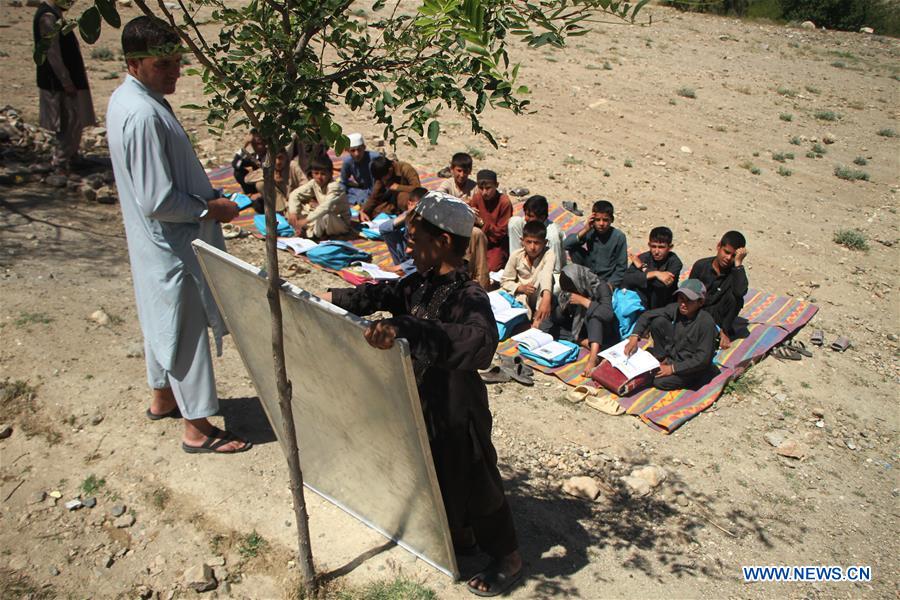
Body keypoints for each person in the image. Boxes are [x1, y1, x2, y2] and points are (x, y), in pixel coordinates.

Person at [323, 191, 522, 596]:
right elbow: (381, 294)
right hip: (427, 403)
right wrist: (334, 299)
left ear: (444, 241)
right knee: (437, 471)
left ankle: (509, 557)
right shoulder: (421, 283)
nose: (408, 246)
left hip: (458, 409)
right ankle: (461, 535)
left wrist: (409, 328)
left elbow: (482, 343)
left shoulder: (470, 296)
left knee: (476, 480)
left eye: (415, 239)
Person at [107, 16, 249, 454]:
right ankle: (197, 427)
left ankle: (163, 397)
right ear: (135, 62)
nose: (175, 72)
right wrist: (212, 208)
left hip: (153, 242)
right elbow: (158, 200)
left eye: (178, 61)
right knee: (184, 328)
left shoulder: (128, 99)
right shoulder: (143, 115)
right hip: (171, 242)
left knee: (161, 320)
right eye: (164, 63)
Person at [33, 0, 96, 172]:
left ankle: (71, 156)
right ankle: (61, 161)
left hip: (68, 78)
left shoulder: (55, 14)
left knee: (75, 120)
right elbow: (53, 53)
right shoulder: (47, 17)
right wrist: (66, 81)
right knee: (68, 122)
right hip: (58, 82)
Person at [623, 279, 718, 390]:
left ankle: (690, 379)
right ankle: (662, 358)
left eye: (689, 301)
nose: (683, 304)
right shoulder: (676, 309)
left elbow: (702, 359)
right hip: (676, 354)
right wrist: (634, 337)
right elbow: (648, 315)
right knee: (658, 321)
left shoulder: (706, 323)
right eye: (681, 298)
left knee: (659, 381)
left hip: (693, 367)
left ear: (700, 302)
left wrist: (672, 369)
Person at [540, 264, 617, 377]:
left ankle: (593, 357)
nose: (570, 293)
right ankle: (582, 341)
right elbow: (556, 319)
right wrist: (562, 309)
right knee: (546, 327)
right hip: (580, 329)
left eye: (572, 290)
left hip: (601, 330)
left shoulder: (601, 286)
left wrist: (583, 301)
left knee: (594, 316)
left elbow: (607, 314)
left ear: (578, 282)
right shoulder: (570, 292)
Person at [689, 231, 749, 349]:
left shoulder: (736, 273)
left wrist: (738, 264)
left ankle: (724, 332)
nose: (728, 258)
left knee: (736, 297)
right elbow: (689, 294)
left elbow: (740, 292)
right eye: (726, 252)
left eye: (733, 256)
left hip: (719, 317)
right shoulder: (701, 266)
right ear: (718, 246)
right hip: (699, 311)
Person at [500, 220, 554, 328]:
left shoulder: (548, 254)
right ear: (522, 241)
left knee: (546, 279)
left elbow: (547, 273)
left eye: (537, 243)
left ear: (545, 242)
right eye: (529, 242)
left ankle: (538, 320)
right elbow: (505, 281)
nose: (532, 247)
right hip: (522, 297)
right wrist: (520, 288)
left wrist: (546, 299)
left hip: (540, 297)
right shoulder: (516, 255)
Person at [286, 154, 353, 239]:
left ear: (330, 174)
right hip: (320, 218)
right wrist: (293, 213)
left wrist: (305, 221)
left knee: (325, 215)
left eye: (323, 174)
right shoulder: (314, 183)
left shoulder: (335, 187)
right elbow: (295, 194)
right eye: (316, 173)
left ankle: (312, 236)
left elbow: (325, 207)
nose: (319, 177)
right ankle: (307, 229)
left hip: (339, 222)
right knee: (299, 208)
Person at [563, 200, 627, 287]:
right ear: (593, 219)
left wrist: (609, 285)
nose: (601, 223)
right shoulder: (590, 231)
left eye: (605, 220)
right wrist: (585, 229)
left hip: (606, 278)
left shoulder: (619, 237)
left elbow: (621, 267)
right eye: (597, 220)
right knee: (574, 247)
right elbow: (566, 245)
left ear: (611, 220)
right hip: (588, 273)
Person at [622, 226, 683, 310]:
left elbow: (661, 285)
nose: (656, 251)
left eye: (661, 247)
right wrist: (656, 274)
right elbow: (627, 279)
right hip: (641, 304)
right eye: (653, 246)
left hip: (664, 306)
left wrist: (643, 268)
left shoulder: (675, 262)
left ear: (670, 247)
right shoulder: (643, 258)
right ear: (649, 245)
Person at [508, 195, 566, 274]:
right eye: (525, 214)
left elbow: (555, 269)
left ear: (542, 218)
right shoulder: (524, 223)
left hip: (544, 272)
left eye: (530, 216)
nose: (526, 218)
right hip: (524, 267)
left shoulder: (552, 235)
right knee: (514, 222)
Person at [469, 169, 513, 272]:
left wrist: (483, 224)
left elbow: (501, 232)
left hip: (496, 245)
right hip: (477, 241)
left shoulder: (504, 202)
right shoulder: (476, 198)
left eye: (488, 188)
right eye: (481, 188)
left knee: (491, 268)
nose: (484, 192)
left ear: (496, 185)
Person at [377, 186, 427, 274]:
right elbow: (383, 229)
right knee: (389, 231)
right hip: (404, 259)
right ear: (409, 204)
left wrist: (397, 268)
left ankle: (402, 269)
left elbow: (427, 254)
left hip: (418, 264)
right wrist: (408, 214)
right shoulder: (407, 217)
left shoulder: (427, 223)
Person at [243, 147, 304, 214]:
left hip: (296, 199)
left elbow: (304, 182)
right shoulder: (269, 168)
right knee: (260, 184)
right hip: (279, 202)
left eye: (280, 158)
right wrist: (270, 176)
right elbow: (247, 179)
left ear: (286, 157)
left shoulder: (292, 165)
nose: (277, 162)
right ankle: (280, 211)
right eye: (274, 158)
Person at [360, 155, 420, 221]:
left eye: (384, 178)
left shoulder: (405, 168)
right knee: (374, 212)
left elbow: (418, 189)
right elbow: (374, 196)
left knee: (402, 197)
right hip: (393, 203)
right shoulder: (381, 175)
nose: (383, 181)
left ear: (390, 170)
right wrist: (363, 211)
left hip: (409, 201)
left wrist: (398, 187)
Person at [339, 133, 380, 205]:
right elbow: (343, 181)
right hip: (363, 190)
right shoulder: (348, 162)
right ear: (348, 150)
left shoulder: (375, 158)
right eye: (353, 150)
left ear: (364, 147)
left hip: (378, 189)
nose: (356, 154)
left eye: (359, 150)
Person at [231, 129, 266, 195]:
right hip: (258, 180)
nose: (257, 147)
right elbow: (236, 165)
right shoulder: (254, 156)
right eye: (253, 144)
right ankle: (249, 192)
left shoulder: (270, 153)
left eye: (259, 143)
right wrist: (244, 147)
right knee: (238, 172)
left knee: (260, 185)